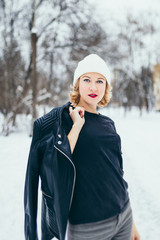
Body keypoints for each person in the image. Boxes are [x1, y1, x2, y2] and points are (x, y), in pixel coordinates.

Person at [24, 54, 140, 240]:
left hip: (123, 215)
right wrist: (77, 126)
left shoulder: (108, 123)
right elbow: (55, 166)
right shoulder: (64, 122)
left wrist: (131, 221)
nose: (93, 87)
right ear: (77, 84)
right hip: (88, 227)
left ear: (106, 87)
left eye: (100, 81)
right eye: (87, 80)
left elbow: (116, 173)